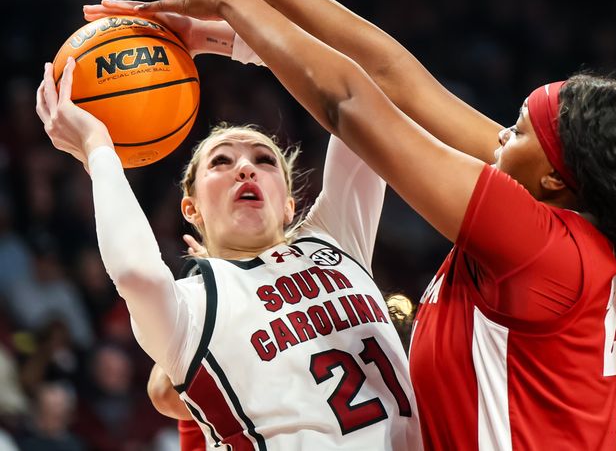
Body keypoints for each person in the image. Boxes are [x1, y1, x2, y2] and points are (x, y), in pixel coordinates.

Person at [95, 0, 616, 450]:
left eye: (516, 129)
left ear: (555, 179)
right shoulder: (560, 212)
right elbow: (395, 75)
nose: (496, 137)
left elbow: (350, 103)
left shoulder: (541, 247)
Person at [35, 35, 422, 447]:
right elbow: (134, 273)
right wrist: (98, 150)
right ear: (192, 209)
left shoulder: (333, 241)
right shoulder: (193, 301)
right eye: (221, 161)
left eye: (264, 159)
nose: (245, 169)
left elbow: (364, 87)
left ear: (290, 205)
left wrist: (233, 41)